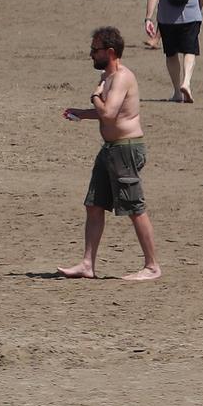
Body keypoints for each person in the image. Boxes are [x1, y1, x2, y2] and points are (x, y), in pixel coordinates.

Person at [59, 26, 162, 281]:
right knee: (94, 205)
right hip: (110, 150)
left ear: (111, 52)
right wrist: (81, 113)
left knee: (134, 207)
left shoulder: (121, 77)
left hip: (126, 149)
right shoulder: (108, 77)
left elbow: (108, 112)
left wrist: (94, 96)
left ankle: (152, 266)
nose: (91, 54)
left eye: (96, 50)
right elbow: (108, 111)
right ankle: (87, 264)